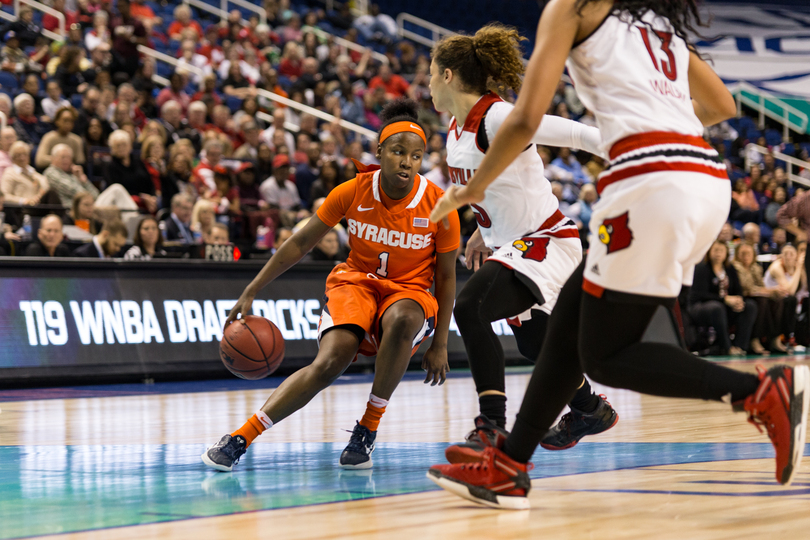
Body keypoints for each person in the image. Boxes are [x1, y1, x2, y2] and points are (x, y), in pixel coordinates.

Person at [427, 0, 809, 509]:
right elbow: (721, 106)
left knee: (603, 355)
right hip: (704, 180)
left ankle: (759, 392)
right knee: (565, 333)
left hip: (648, 183)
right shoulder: (659, 26)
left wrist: (462, 193)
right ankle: (510, 464)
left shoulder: (572, 9)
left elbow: (524, 120)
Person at [202, 99, 461, 473]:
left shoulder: (440, 206)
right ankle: (241, 436)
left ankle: (367, 429)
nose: (407, 161)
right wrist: (253, 288)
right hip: (355, 284)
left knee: (404, 319)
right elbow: (299, 242)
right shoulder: (352, 190)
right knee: (328, 362)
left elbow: (447, 277)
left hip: (410, 291)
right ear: (380, 151)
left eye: (416, 155)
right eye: (398, 152)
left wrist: (441, 343)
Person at [426, 24, 615, 458]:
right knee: (535, 344)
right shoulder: (456, 130)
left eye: (432, 74)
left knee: (470, 307)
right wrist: (482, 230)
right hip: (514, 243)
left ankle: (491, 426)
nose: (429, 83)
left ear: (449, 75)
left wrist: (634, 156)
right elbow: (498, 188)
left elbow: (578, 135)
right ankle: (589, 409)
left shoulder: (496, 116)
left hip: (547, 239)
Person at [762, 243, 805, 351]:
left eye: (791, 254)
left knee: (798, 302)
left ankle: (799, 339)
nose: (788, 256)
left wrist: (801, 268)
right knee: (790, 300)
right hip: (769, 299)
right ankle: (781, 339)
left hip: (782, 299)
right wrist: (799, 268)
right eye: (786, 253)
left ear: (796, 256)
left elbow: (805, 286)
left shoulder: (796, 267)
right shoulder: (777, 266)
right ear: (781, 255)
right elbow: (790, 291)